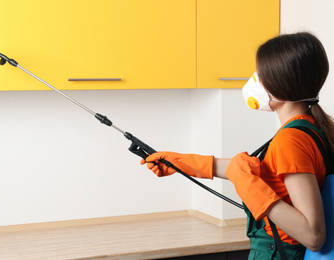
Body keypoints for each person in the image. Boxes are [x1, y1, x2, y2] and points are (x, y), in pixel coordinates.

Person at [140, 32, 334, 259]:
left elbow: (313, 235)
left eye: (261, 75)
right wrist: (180, 163)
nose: (255, 81)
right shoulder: (312, 128)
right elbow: (259, 173)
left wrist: (251, 188)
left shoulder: (290, 141)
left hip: (278, 252)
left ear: (281, 84)